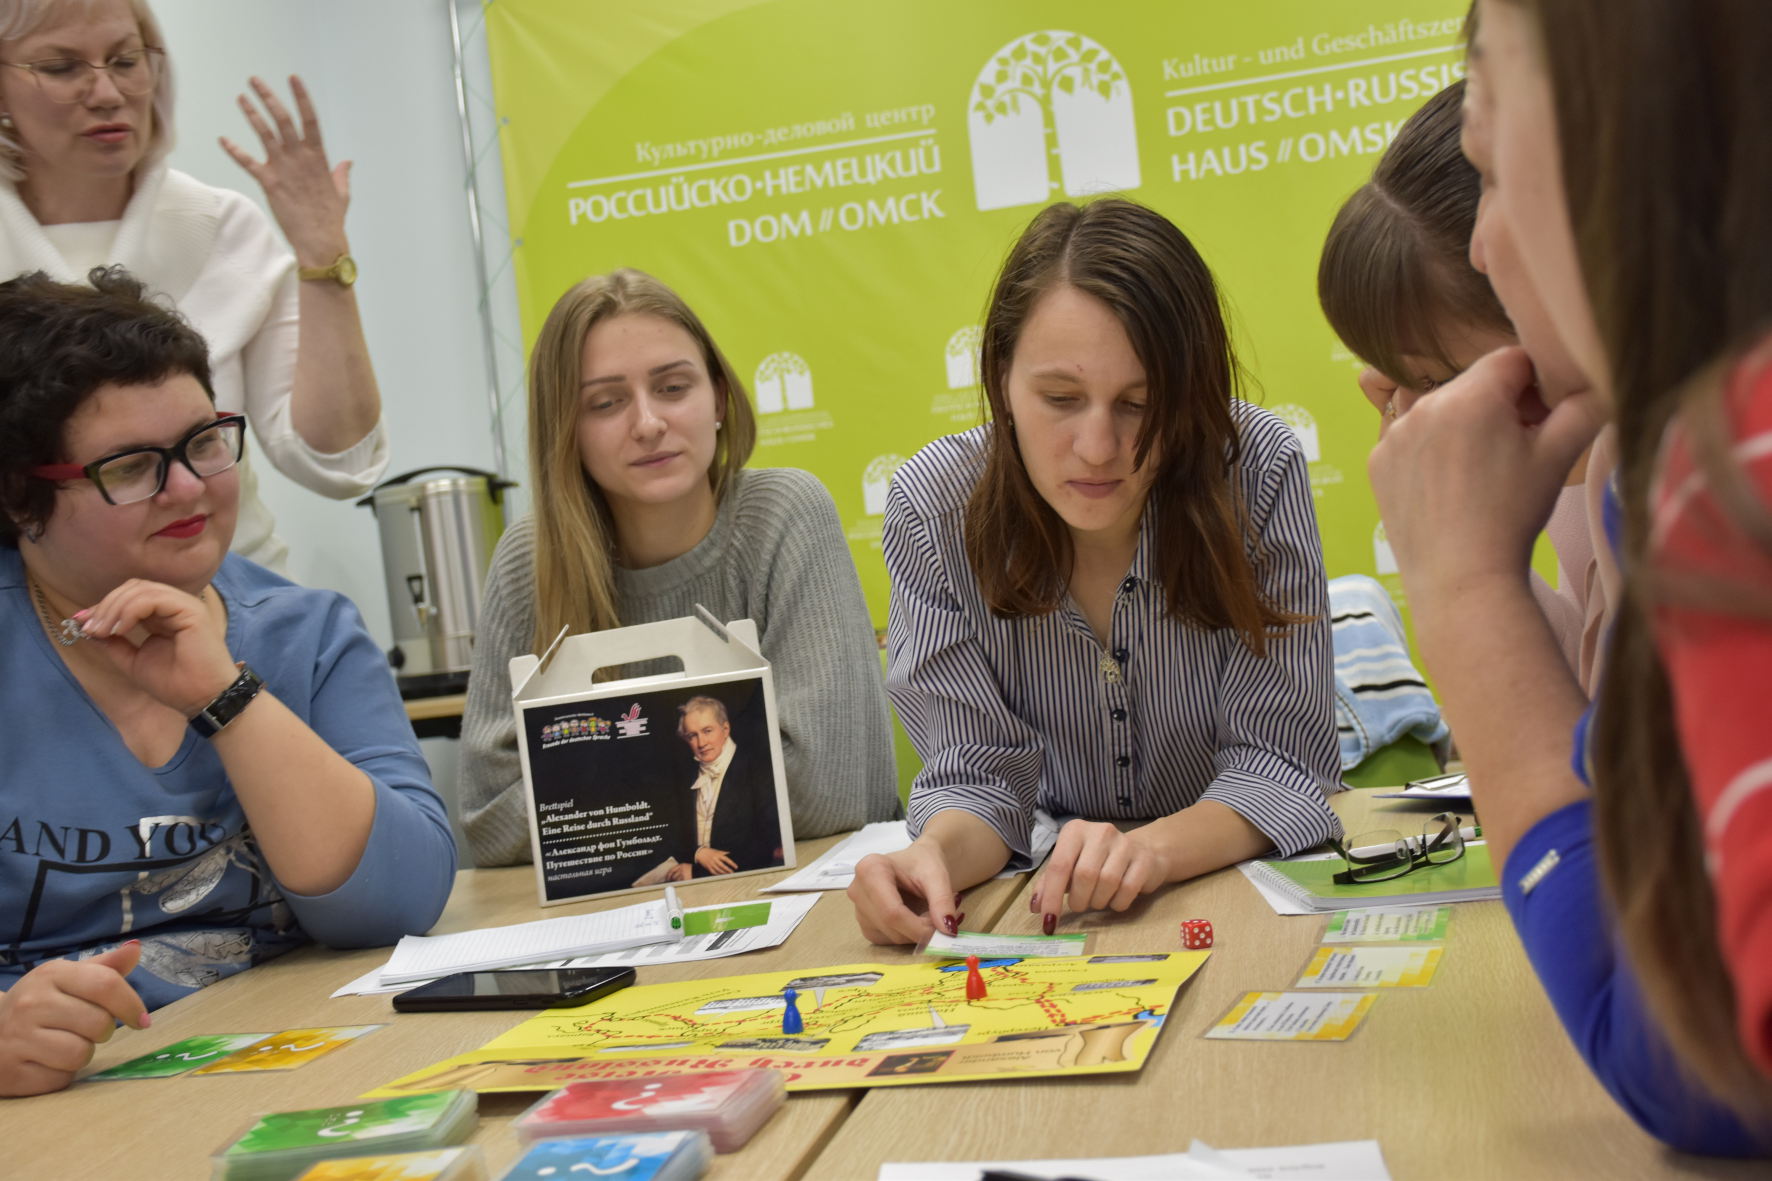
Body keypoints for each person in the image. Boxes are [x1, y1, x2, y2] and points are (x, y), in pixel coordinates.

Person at [1369, 0, 1772, 1153]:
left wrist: (1459, 593)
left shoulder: (1725, 465)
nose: (1488, 249)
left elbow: (1690, 1055)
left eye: (1487, 165)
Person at [0, 268, 454, 1098]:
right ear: (21, 498)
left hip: (302, 1071)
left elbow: (400, 902)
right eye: (134, 466)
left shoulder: (306, 630)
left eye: (204, 442)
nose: (190, 486)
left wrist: (226, 694)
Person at [849, 198, 1341, 946]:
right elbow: (979, 779)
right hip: (1065, 899)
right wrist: (931, 858)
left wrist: (1144, 849)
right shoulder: (932, 506)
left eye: (1140, 404)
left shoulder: (1256, 468)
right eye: (1060, 399)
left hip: (1229, 888)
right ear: (1000, 379)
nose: (1098, 446)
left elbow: (1280, 763)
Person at [459, 268, 898, 867]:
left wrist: (592, 806)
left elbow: (832, 793)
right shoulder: (527, 562)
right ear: (566, 430)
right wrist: (711, 789)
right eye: (606, 402)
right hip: (618, 924)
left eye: (672, 387)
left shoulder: (786, 516)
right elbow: (487, 821)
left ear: (718, 396)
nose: (647, 423)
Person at [0, 0, 388, 572]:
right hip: (28, 620)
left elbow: (337, 464)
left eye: (125, 60)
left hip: (226, 606)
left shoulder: (220, 228)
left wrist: (323, 255)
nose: (107, 93)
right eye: (62, 68)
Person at [1317, 78, 1614, 688]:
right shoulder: (1583, 478)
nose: (1422, 412)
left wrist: (1456, 570)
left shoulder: (1662, 468)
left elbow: (1577, 771)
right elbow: (1581, 693)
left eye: (1434, 376)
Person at [669, 695, 782, 878]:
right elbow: (674, 835)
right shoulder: (684, 776)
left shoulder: (756, 770)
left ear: (726, 729)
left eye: (707, 731)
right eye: (692, 736)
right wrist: (697, 853)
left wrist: (697, 873)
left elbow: (766, 849)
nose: (701, 743)